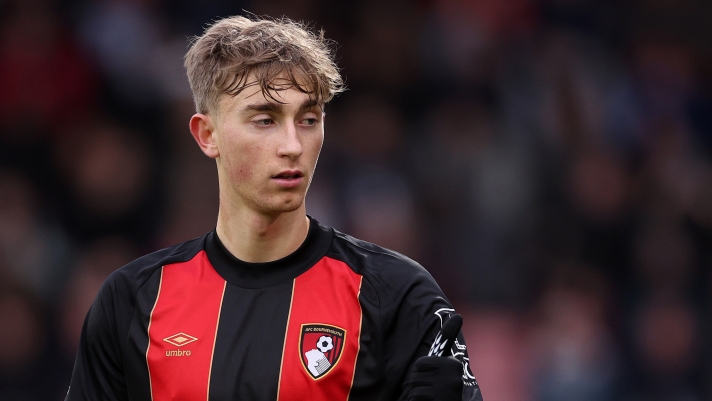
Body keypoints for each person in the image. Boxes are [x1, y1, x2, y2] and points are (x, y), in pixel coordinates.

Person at [65, 15, 483, 401]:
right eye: (264, 119)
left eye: (308, 118)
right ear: (207, 134)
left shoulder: (398, 297)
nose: (292, 146)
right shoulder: (133, 301)